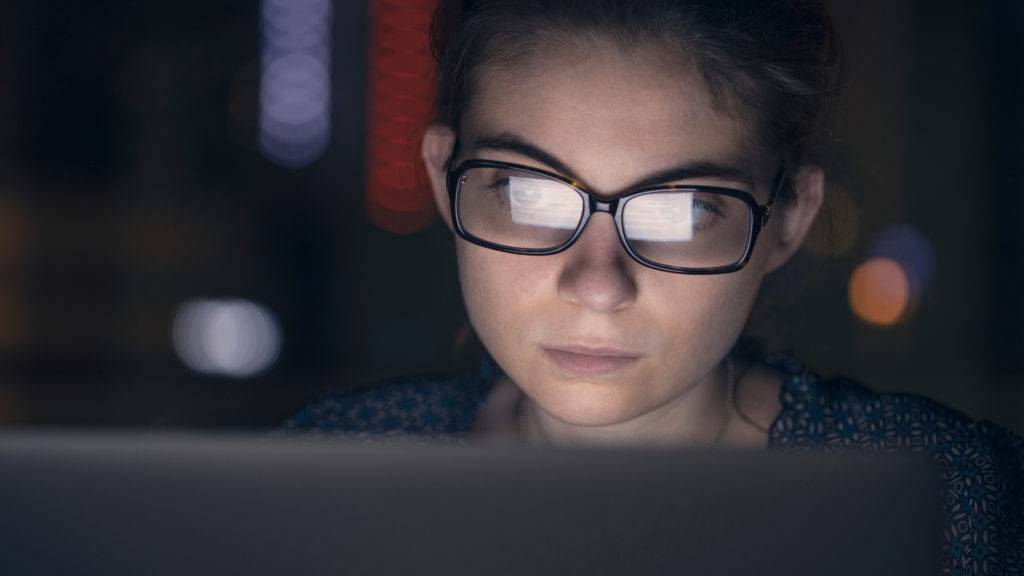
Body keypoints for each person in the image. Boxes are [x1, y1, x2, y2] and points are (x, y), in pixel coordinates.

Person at [283, 0, 1023, 572]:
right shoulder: (322, 473)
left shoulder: (946, 497)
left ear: (790, 218)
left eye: (682, 210)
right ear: (446, 184)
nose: (598, 285)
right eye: (529, 195)